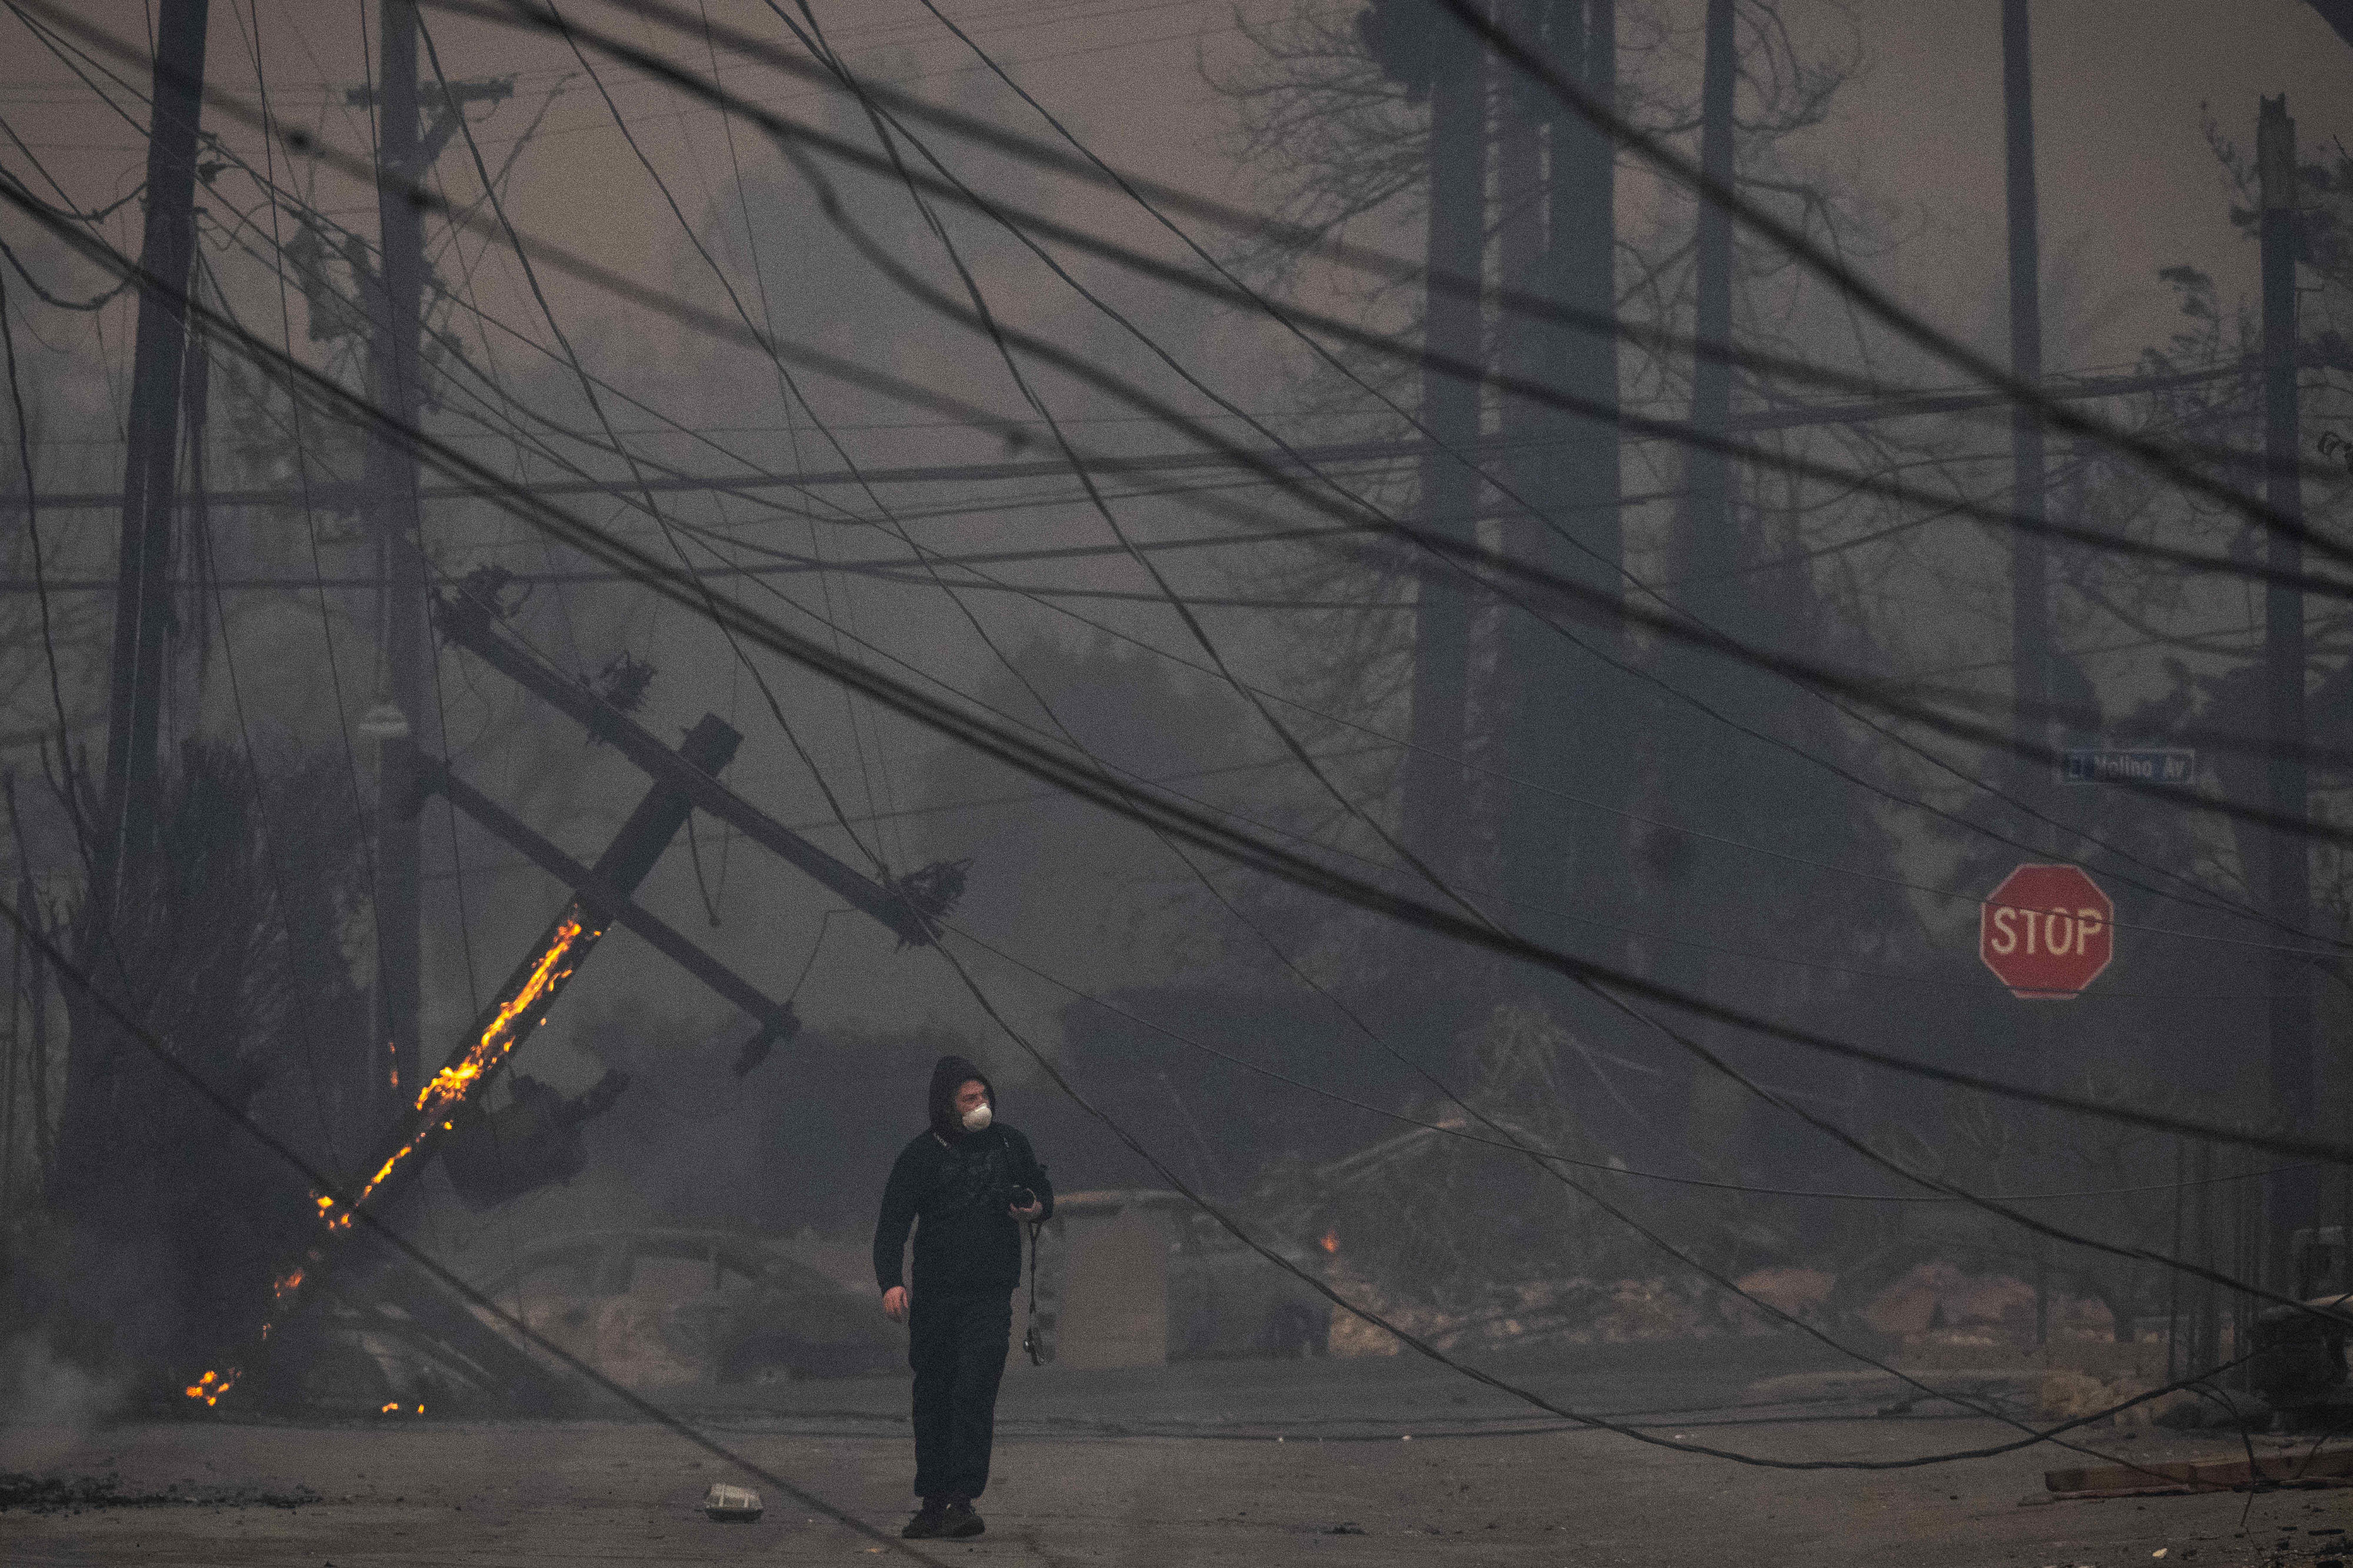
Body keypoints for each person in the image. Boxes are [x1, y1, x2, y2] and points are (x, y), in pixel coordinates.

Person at [872, 1054, 1052, 1541]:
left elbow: (1044, 1197)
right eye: (969, 1099)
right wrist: (891, 1281)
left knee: (974, 1388)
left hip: (990, 1296)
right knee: (933, 1395)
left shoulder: (1011, 1144)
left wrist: (1033, 1207)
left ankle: (961, 1499)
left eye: (984, 1096)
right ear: (946, 1106)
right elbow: (891, 1225)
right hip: (933, 1298)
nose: (980, 1106)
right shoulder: (920, 1156)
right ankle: (932, 1501)